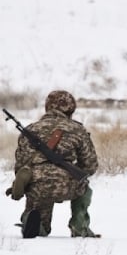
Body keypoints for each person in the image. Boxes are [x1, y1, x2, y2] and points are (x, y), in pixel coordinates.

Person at [11, 90, 99, 238]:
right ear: (71, 108)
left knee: (37, 195)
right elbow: (90, 165)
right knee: (85, 186)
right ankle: (79, 226)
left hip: (38, 186)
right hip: (69, 185)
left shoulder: (31, 129)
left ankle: (34, 223)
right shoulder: (78, 129)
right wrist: (73, 171)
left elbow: (21, 166)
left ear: (47, 106)